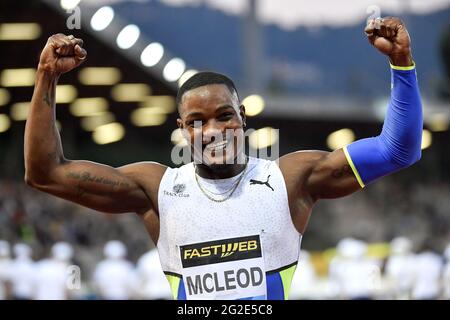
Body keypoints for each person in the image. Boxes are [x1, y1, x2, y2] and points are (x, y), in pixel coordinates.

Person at [24, 17, 423, 300]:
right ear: (182, 129)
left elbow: (398, 149)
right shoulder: (157, 190)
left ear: (242, 117)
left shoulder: (290, 179)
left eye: (224, 116)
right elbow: (46, 173)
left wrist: (402, 64)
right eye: (197, 122)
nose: (212, 131)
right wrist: (46, 76)